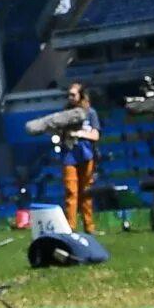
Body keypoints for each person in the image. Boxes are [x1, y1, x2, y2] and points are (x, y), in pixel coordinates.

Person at [62, 82, 102, 236]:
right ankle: (70, 227)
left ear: (80, 95)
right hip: (69, 155)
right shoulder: (65, 113)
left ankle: (89, 226)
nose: (70, 97)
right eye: (68, 95)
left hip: (86, 154)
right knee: (71, 191)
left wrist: (79, 134)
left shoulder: (90, 113)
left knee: (86, 191)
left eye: (73, 94)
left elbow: (95, 135)